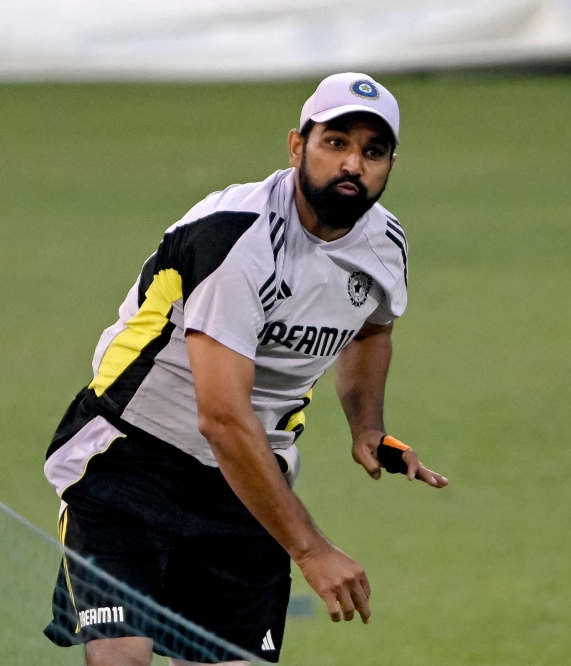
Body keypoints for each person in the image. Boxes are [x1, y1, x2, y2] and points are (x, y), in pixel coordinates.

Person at [41, 72, 447, 666]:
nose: (353, 165)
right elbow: (224, 418)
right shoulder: (237, 236)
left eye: (373, 151)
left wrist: (366, 426)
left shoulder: (384, 244)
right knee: (121, 656)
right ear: (296, 145)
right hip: (130, 464)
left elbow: (371, 326)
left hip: (248, 482)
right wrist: (311, 551)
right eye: (335, 142)